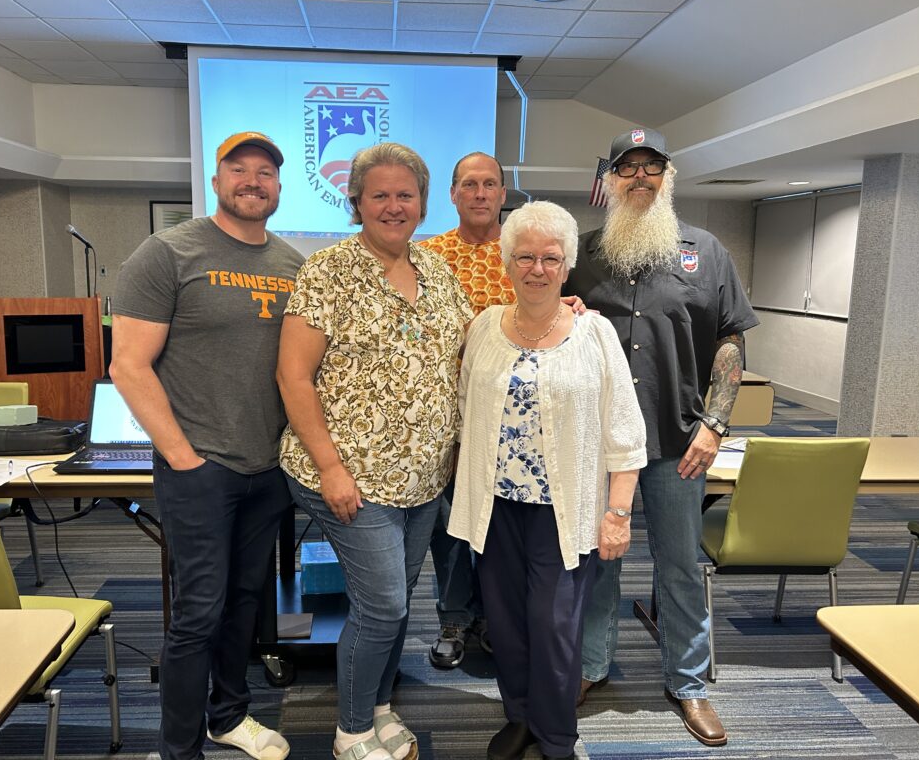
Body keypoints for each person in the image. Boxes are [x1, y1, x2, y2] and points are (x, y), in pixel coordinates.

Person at [277, 142, 472, 760]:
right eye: (379, 195)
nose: (393, 206)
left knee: (394, 601)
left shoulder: (438, 273)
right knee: (383, 605)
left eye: (405, 195)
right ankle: (352, 730)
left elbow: (479, 342)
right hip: (346, 475)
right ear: (356, 202)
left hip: (422, 480)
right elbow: (293, 377)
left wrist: (556, 315)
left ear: (422, 202)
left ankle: (382, 706)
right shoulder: (328, 271)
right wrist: (332, 469)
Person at [564, 128, 759, 747]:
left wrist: (717, 423)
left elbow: (731, 339)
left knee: (680, 565)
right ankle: (592, 665)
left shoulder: (705, 250)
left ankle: (689, 684)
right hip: (598, 447)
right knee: (598, 564)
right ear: (611, 181)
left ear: (667, 178)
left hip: (679, 443)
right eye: (628, 168)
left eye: (652, 167)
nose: (640, 177)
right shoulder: (584, 253)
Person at [111, 131, 302, 760]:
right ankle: (178, 748)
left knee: (247, 603)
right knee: (198, 613)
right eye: (239, 170)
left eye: (266, 172)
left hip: (267, 468)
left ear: (279, 186)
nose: (253, 181)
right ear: (216, 181)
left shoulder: (292, 265)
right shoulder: (167, 253)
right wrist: (183, 457)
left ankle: (229, 716)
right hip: (200, 470)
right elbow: (129, 366)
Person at [448, 200, 646, 760]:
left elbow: (625, 430)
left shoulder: (595, 333)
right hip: (495, 507)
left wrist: (618, 512)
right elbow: (466, 408)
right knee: (506, 625)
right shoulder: (485, 327)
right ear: (508, 263)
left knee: (555, 627)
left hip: (567, 511)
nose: (537, 268)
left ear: (567, 266)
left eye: (550, 258)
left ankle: (557, 735)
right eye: (525, 257)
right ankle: (520, 716)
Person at [419, 151, 514, 668]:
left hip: (513, 421)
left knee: (503, 527)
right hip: (445, 420)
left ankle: (498, 618)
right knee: (451, 527)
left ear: (503, 194)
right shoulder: (425, 256)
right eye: (469, 184)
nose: (480, 193)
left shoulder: (525, 254)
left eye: (490, 184)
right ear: (453, 195)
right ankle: (455, 618)